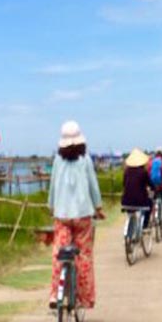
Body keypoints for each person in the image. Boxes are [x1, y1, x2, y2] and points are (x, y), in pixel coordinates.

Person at [47, 121, 104, 309]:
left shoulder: (57, 160)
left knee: (59, 254)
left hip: (62, 214)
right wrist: (98, 206)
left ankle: (55, 294)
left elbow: (53, 186)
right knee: (84, 256)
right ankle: (85, 298)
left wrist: (51, 206)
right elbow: (93, 186)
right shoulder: (85, 160)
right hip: (83, 215)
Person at [121, 148, 153, 229]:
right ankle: (145, 225)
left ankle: (131, 228)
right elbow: (150, 184)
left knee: (131, 211)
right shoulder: (143, 172)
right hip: (140, 201)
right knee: (150, 203)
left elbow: (124, 184)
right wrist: (154, 189)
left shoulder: (126, 172)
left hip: (126, 201)